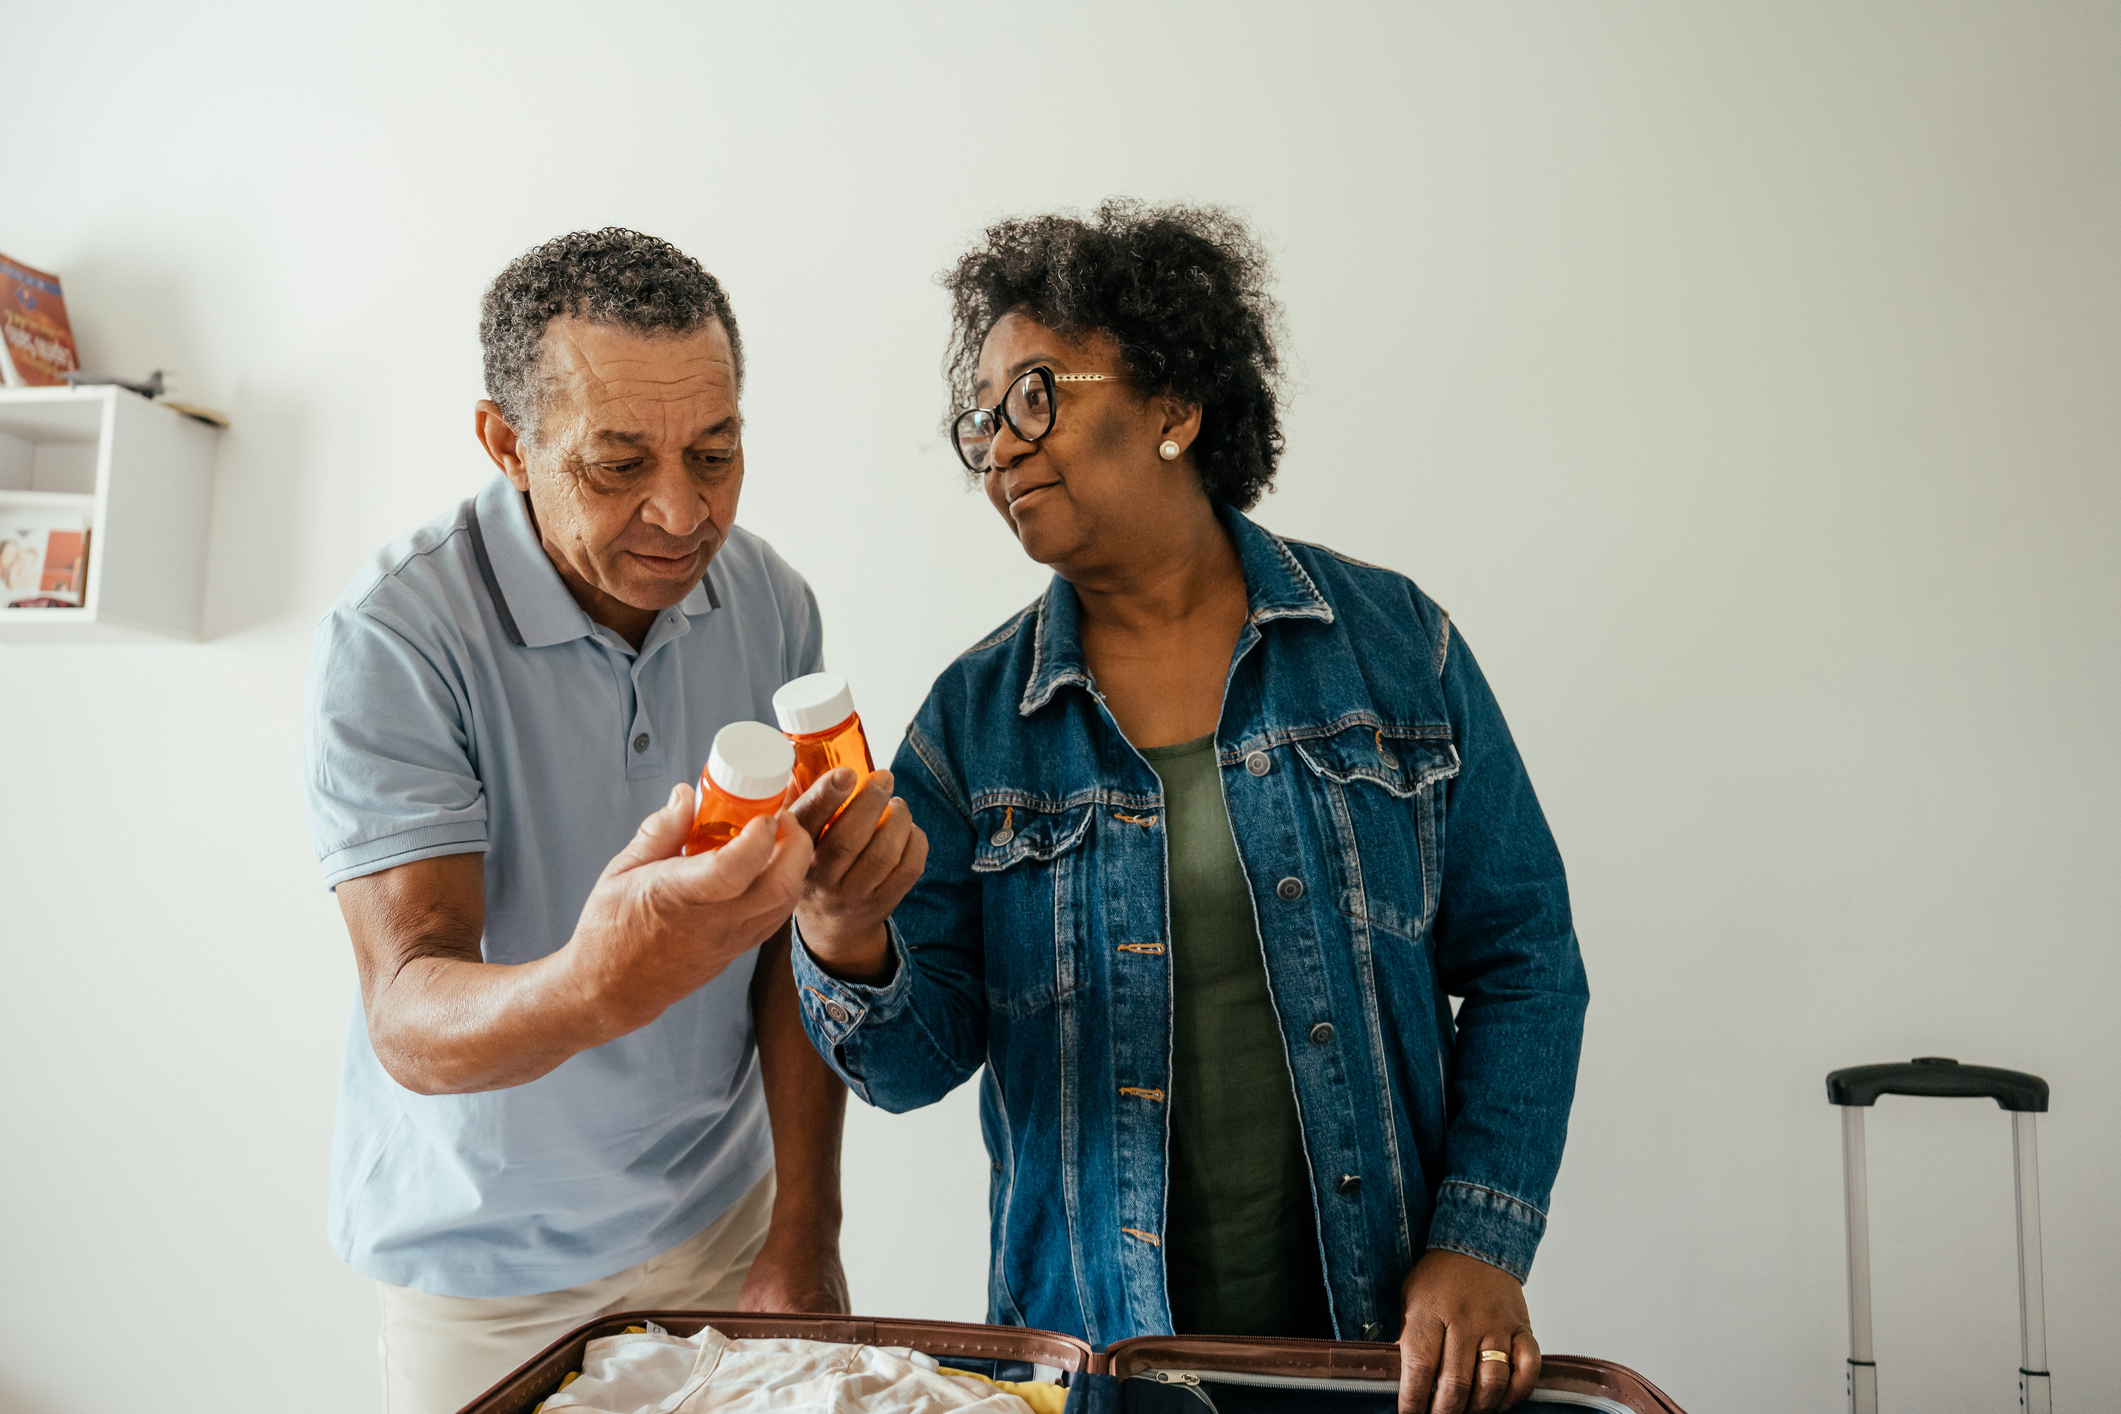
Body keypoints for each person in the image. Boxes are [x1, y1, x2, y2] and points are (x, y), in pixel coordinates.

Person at [787, 201, 1589, 1414]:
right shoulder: (970, 723)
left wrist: (1480, 1238)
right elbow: (912, 1066)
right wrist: (843, 936)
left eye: (1036, 396)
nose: (998, 446)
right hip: (1101, 1364)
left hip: (1382, 1348)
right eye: (981, 417)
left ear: (1176, 406)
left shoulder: (1394, 647)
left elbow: (1529, 960)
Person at [303, 229, 850, 1414]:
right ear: (507, 443)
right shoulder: (397, 637)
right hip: (485, 1279)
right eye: (617, 463)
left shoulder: (769, 602)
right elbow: (409, 1012)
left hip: (725, 1225)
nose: (681, 510)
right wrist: (602, 981)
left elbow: (795, 950)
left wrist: (804, 1228)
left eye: (717, 452)